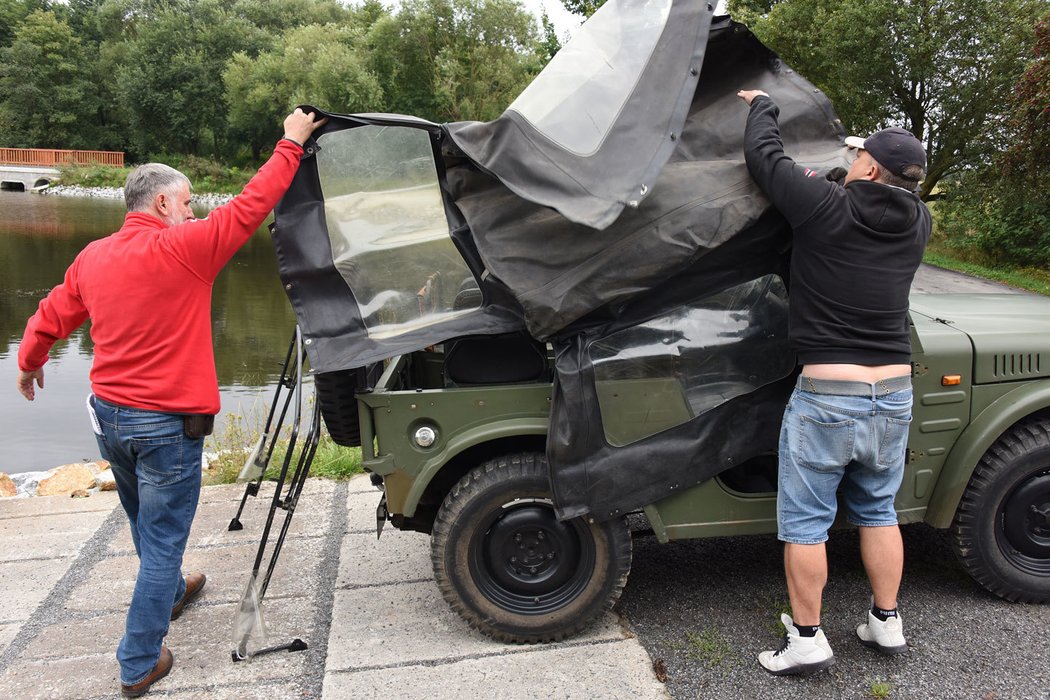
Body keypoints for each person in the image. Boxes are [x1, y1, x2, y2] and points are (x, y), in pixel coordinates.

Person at [16, 108, 326, 697]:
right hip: (165, 428)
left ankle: (173, 587)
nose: (194, 211)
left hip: (109, 419)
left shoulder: (93, 257)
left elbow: (53, 313)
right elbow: (253, 203)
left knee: (144, 520)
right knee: (160, 540)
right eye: (186, 203)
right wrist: (290, 142)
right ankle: (137, 661)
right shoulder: (185, 247)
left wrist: (30, 363)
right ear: (161, 205)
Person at [736, 89, 931, 676]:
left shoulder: (825, 206)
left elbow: (763, 157)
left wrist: (763, 104)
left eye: (861, 155)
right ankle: (885, 621)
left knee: (805, 522)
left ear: (867, 166)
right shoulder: (919, 221)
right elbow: (879, 186)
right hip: (893, 393)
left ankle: (808, 639)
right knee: (878, 511)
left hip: (828, 395)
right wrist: (860, 159)